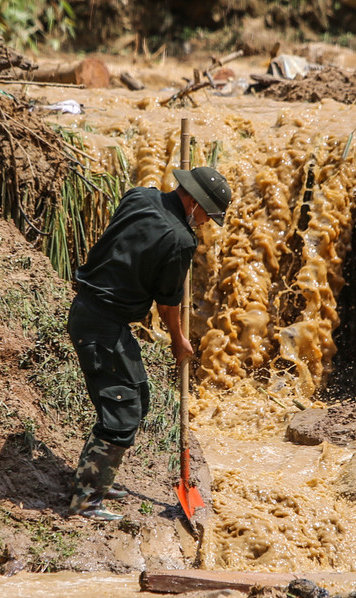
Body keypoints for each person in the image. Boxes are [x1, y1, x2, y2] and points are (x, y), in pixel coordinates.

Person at [65, 165, 232, 520]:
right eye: (206, 214)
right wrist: (179, 339)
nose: (204, 222)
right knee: (122, 414)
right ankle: (86, 501)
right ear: (193, 201)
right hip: (102, 325)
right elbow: (168, 302)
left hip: (90, 311)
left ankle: (97, 476)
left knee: (136, 395)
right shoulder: (180, 240)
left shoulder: (139, 195)